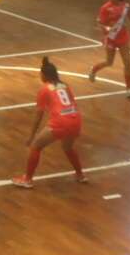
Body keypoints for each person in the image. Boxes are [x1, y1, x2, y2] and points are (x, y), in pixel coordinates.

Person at [12, 57, 87, 189]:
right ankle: (80, 175)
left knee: (36, 146)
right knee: (68, 148)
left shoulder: (44, 89)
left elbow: (38, 115)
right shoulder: (65, 85)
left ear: (44, 75)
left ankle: (27, 180)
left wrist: (31, 136)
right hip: (75, 120)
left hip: (60, 122)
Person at [89, 0, 130, 97]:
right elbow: (100, 23)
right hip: (111, 38)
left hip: (123, 38)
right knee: (109, 62)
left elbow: (128, 17)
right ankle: (94, 69)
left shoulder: (126, 6)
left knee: (127, 63)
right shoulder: (105, 8)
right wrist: (106, 29)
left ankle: (129, 89)